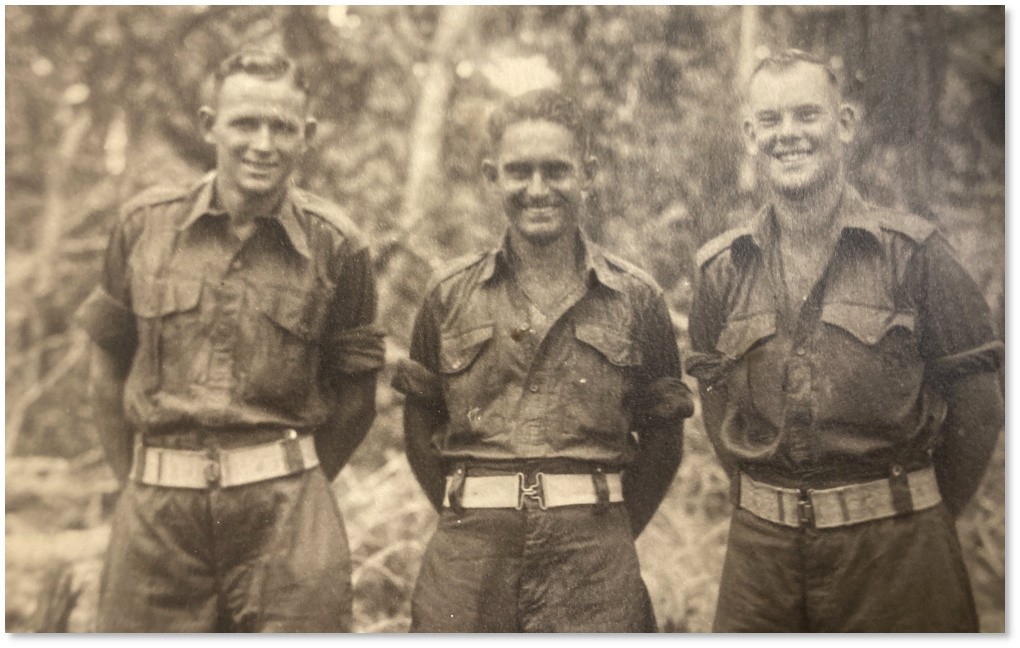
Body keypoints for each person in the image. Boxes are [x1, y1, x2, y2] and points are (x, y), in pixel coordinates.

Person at [688, 49, 1003, 632]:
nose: (789, 135)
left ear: (846, 124)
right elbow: (716, 403)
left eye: (807, 115)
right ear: (750, 134)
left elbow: (979, 409)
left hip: (894, 555)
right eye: (772, 120)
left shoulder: (914, 253)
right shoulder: (721, 269)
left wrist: (914, 517)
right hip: (763, 565)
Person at [74, 49, 384, 632]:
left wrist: (288, 481)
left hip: (286, 520)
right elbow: (105, 374)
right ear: (209, 124)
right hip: (157, 521)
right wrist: (137, 488)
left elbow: (356, 400)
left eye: (282, 127)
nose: (262, 144)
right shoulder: (143, 227)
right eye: (245, 123)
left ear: (307, 135)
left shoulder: (337, 246)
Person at [392, 88, 694, 632]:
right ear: (492, 176)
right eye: (519, 171)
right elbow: (419, 430)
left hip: (594, 562)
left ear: (588, 173)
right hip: (470, 560)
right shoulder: (447, 295)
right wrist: (475, 516)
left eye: (556, 170)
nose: (537, 190)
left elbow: (664, 444)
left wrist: (608, 532)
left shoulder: (636, 298)